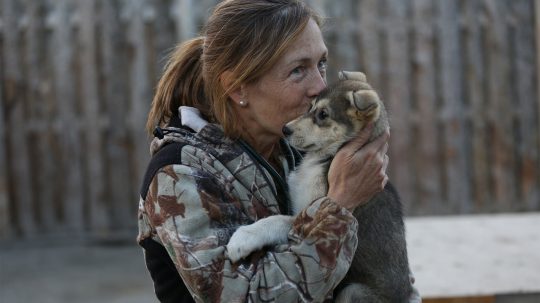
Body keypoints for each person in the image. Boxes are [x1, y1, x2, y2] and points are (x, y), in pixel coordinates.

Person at [137, 0, 420, 302]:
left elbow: (388, 275)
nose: (320, 86)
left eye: (321, 63)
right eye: (298, 70)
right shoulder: (181, 174)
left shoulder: (296, 148)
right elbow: (248, 296)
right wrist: (340, 204)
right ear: (237, 88)